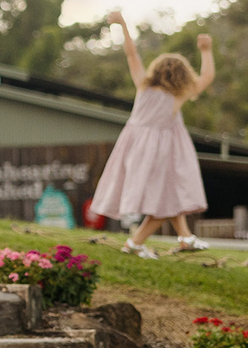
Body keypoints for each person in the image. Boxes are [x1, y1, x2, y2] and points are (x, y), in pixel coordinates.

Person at [89, 13, 214, 257]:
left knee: (170, 194)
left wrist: (124, 24)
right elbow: (207, 78)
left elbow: (131, 54)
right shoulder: (178, 95)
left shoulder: (143, 86)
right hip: (161, 154)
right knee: (164, 199)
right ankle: (134, 243)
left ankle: (185, 237)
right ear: (183, 75)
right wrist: (206, 50)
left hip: (134, 150)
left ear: (156, 70)